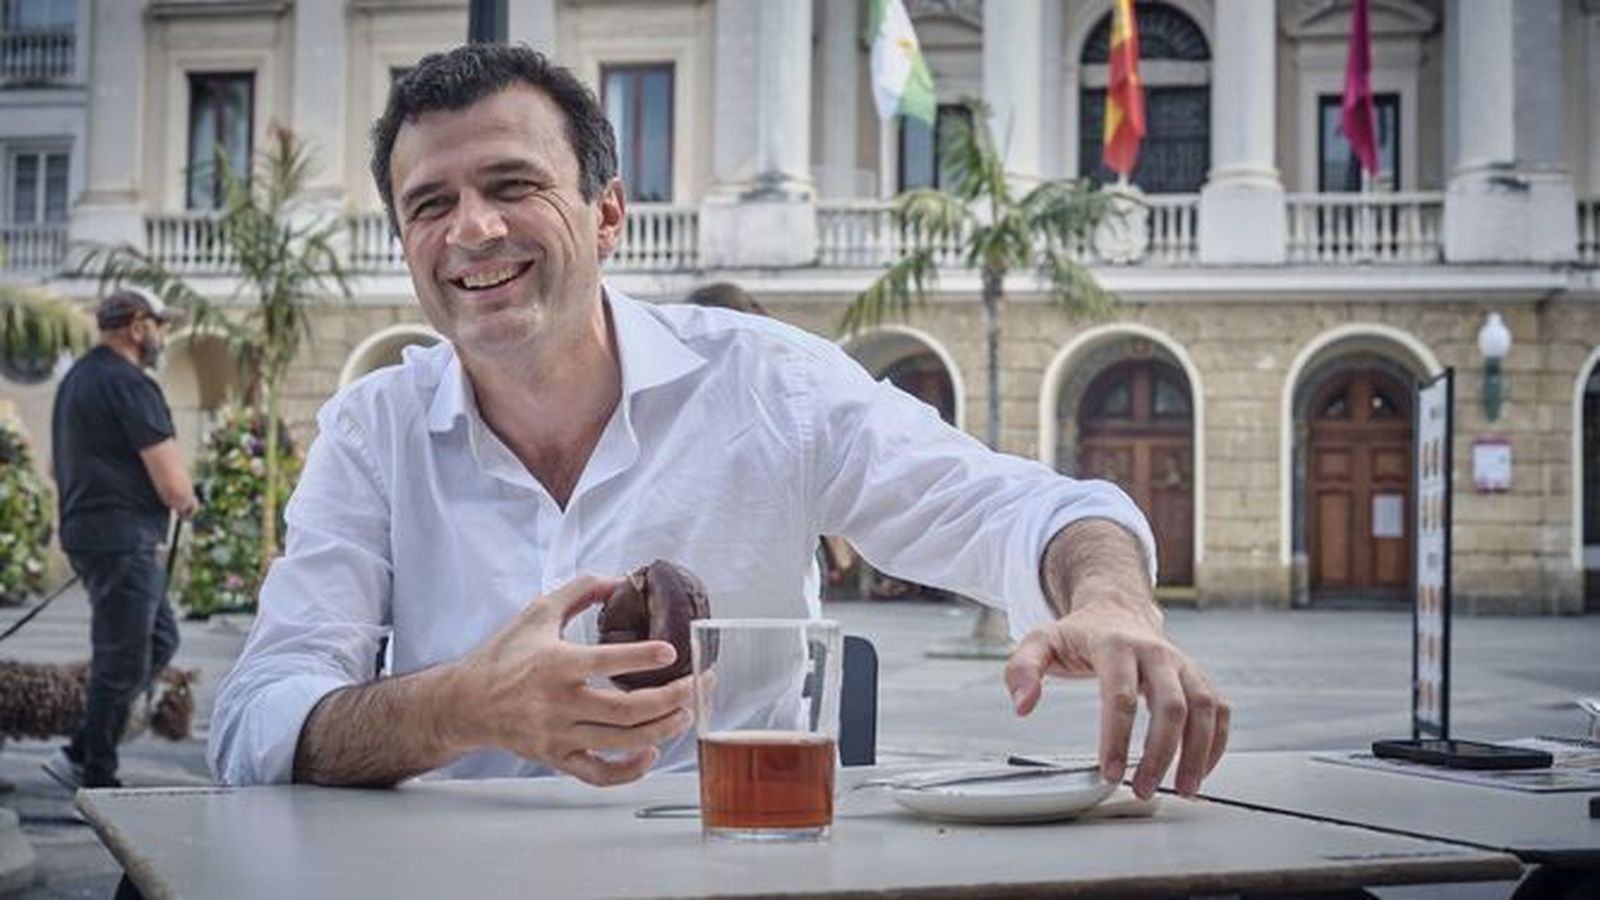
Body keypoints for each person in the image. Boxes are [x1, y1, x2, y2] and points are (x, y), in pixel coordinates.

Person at [209, 44, 1229, 800]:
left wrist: (1112, 606)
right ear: (404, 243)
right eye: (430, 204)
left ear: (608, 215)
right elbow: (258, 717)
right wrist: (460, 707)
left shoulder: (764, 384)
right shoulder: (371, 428)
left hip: (731, 859)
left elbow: (1030, 511)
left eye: (513, 185)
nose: (472, 229)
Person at [45, 288, 196, 790]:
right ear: (136, 326)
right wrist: (191, 505)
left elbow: (53, 465)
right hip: (123, 537)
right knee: (123, 657)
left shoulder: (76, 381)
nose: (162, 335)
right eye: (159, 324)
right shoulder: (133, 385)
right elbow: (173, 484)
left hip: (87, 532)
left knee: (159, 639)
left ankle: (82, 749)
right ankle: (95, 774)